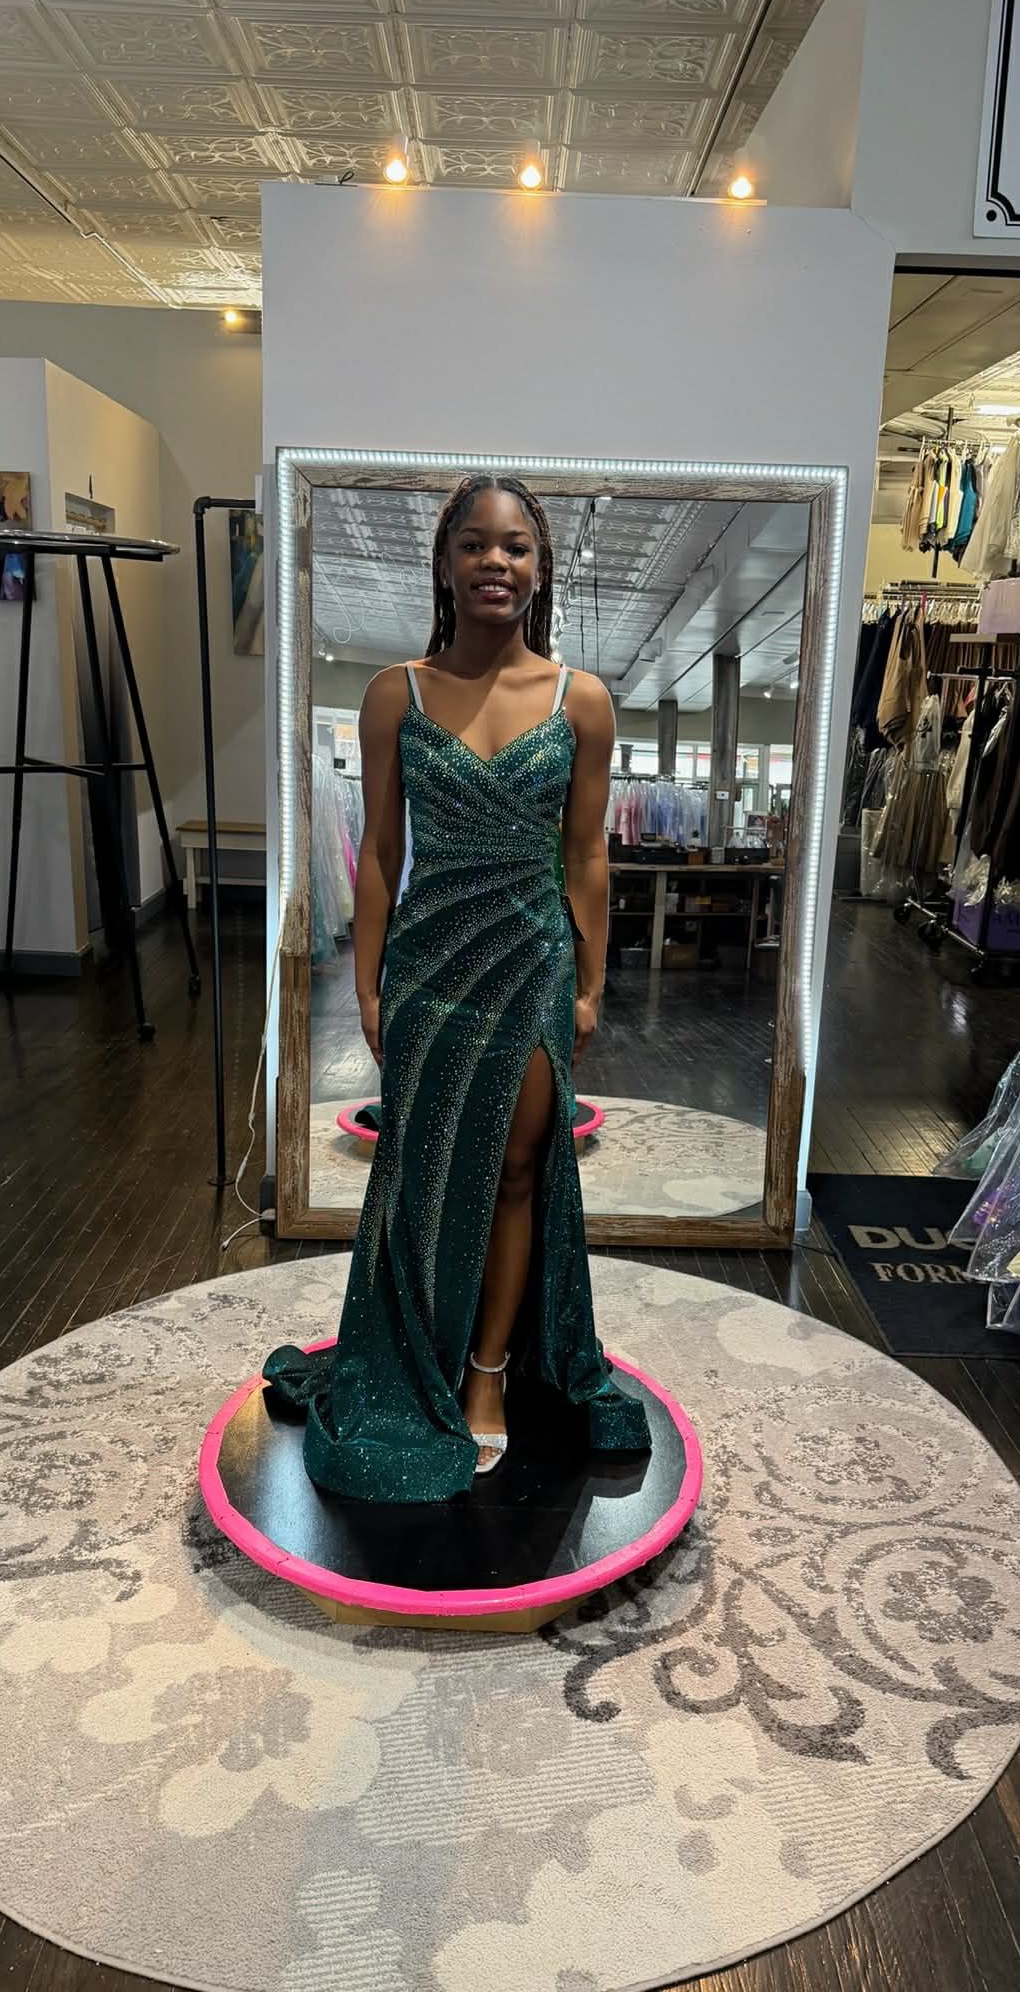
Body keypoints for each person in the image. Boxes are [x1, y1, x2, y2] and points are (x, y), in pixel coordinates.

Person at [263, 475, 651, 1502]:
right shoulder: (395, 693)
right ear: (444, 563)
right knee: (424, 1170)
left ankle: (487, 1371)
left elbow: (587, 854)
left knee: (518, 1171)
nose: (495, 562)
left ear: (541, 567)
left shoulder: (581, 701)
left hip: (532, 966)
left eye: (516, 546)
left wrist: (591, 980)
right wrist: (367, 980)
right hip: (430, 971)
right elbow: (379, 852)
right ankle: (416, 1349)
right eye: (475, 544)